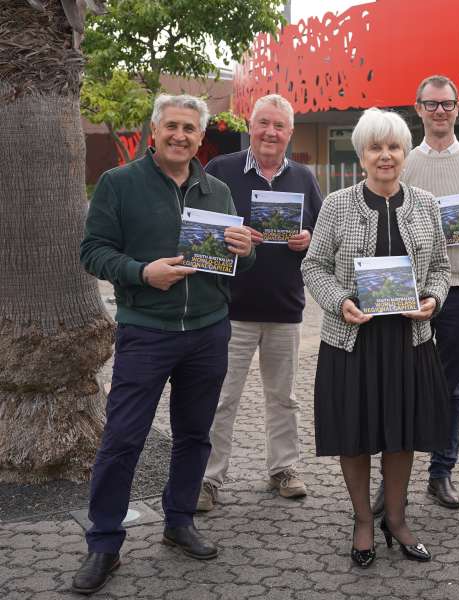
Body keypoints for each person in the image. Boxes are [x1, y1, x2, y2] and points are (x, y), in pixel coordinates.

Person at [74, 94, 255, 595]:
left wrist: (244, 252)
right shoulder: (119, 183)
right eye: (171, 126)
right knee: (123, 439)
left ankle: (178, 522)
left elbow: (237, 265)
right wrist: (140, 273)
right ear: (155, 131)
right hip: (146, 331)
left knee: (195, 435)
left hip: (208, 330)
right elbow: (93, 251)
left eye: (189, 129)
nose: (180, 136)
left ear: (201, 137)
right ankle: (105, 543)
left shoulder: (217, 190)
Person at [301, 107, 451, 568]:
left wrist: (433, 299)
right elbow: (313, 265)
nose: (385, 156)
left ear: (405, 153)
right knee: (355, 434)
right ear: (361, 155)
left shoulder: (425, 203)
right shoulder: (337, 204)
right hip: (352, 340)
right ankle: (364, 520)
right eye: (375, 148)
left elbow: (442, 269)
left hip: (408, 340)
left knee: (401, 434)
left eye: (393, 147)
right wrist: (338, 300)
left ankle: (398, 518)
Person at [197, 94, 322, 511]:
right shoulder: (220, 170)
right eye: (263, 123)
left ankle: (283, 469)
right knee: (221, 398)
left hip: (285, 309)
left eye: (279, 126)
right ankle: (208, 479)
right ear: (250, 126)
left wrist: (307, 239)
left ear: (290, 132)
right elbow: (195, 228)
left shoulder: (304, 177)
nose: (271, 132)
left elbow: (322, 240)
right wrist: (231, 239)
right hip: (229, 309)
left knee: (284, 398)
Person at [391, 74, 459, 510]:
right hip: (408, 294)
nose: (439, 111)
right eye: (431, 104)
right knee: (399, 384)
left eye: (447, 104)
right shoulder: (403, 162)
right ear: (417, 108)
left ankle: (441, 473)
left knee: (451, 388)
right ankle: (393, 477)